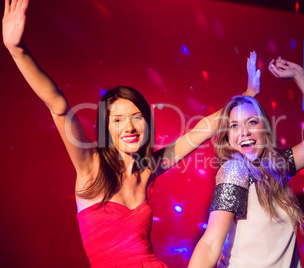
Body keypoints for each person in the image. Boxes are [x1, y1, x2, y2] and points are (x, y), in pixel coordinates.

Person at [2, 0, 261, 267]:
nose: (129, 127)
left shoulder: (147, 169)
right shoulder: (90, 165)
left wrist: (246, 98)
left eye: (136, 117)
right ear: (107, 129)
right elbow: (58, 105)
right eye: (118, 120)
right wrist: (17, 49)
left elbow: (198, 132)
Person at [188, 56, 304, 267]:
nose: (244, 132)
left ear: (265, 129)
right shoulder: (235, 171)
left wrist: (300, 76)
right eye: (234, 126)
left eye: (251, 122)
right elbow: (211, 243)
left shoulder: (279, 165)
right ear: (227, 137)